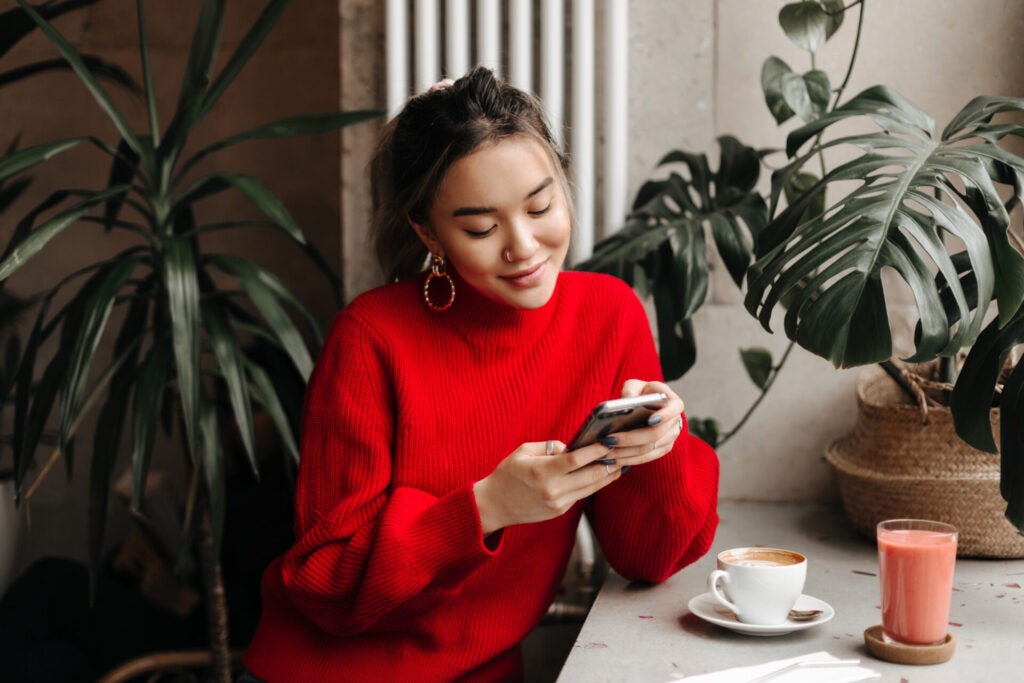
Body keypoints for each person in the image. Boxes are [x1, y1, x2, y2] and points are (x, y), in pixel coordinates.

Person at [241, 66, 719, 683]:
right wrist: (487, 507)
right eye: (481, 228)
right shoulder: (370, 338)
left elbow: (649, 559)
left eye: (541, 205)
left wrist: (658, 449)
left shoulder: (608, 316)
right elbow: (326, 581)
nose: (523, 246)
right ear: (427, 231)